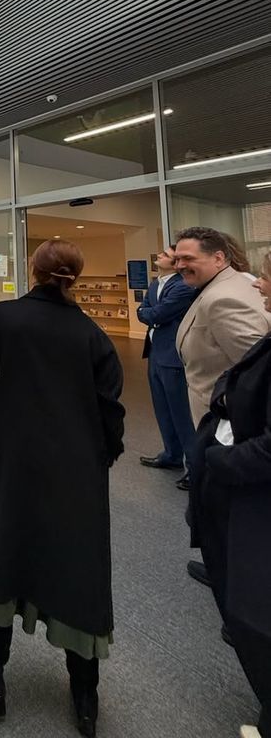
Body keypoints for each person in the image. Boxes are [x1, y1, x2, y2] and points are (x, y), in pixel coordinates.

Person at [0, 240, 124, 738]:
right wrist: (104, 451)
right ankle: (83, 693)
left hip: (13, 456)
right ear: (74, 277)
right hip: (75, 464)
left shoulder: (5, 317)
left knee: (2, 543)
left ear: (32, 271)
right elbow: (110, 405)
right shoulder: (90, 335)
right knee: (78, 560)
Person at [188, 252, 271, 738]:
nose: (259, 286)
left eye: (266, 278)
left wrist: (220, 461)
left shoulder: (224, 298)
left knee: (251, 593)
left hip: (245, 479)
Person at [174, 226, 271, 586]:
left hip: (230, 430)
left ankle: (239, 594)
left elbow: (255, 364)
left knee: (227, 513)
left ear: (218, 258)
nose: (181, 264)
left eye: (189, 258)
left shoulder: (223, 298)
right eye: (178, 257)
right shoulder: (214, 288)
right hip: (220, 424)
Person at [137, 245, 197, 489]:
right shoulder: (156, 283)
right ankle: (171, 454)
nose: (158, 256)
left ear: (175, 263)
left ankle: (193, 467)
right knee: (162, 408)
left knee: (181, 412)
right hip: (155, 353)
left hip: (172, 356)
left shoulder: (182, 286)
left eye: (164, 255)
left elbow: (156, 314)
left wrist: (147, 313)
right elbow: (145, 310)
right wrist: (148, 312)